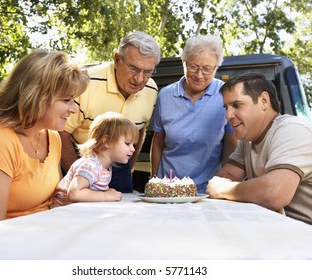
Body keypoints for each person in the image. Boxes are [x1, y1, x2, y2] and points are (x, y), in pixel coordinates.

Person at [0, 49, 89, 226]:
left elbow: (55, 200)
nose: (74, 109)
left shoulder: (52, 137)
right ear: (36, 97)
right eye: (66, 100)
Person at [59, 30, 161, 193]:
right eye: (133, 68)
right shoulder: (87, 83)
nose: (140, 79)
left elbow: (139, 130)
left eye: (148, 71)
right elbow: (60, 132)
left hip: (119, 164)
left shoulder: (151, 89)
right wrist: (79, 174)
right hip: (81, 160)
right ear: (117, 59)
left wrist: (129, 168)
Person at [206, 73, 312, 225]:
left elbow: (274, 193)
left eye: (237, 105)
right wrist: (222, 187)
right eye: (226, 108)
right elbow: (225, 176)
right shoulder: (247, 141)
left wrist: (224, 190)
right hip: (280, 232)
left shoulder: (292, 130)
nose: (228, 115)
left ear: (263, 101)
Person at [150, 35, 238, 194]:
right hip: (167, 189)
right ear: (183, 62)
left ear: (216, 68)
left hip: (207, 191)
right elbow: (157, 142)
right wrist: (154, 182)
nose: (199, 75)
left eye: (206, 68)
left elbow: (231, 145)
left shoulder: (226, 95)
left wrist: (225, 184)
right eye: (193, 66)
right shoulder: (165, 95)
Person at [50, 112, 138, 207]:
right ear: (107, 141)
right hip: (63, 214)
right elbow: (75, 193)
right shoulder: (90, 165)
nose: (133, 149)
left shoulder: (105, 167)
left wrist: (106, 192)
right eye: (127, 143)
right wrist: (105, 196)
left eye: (133, 145)